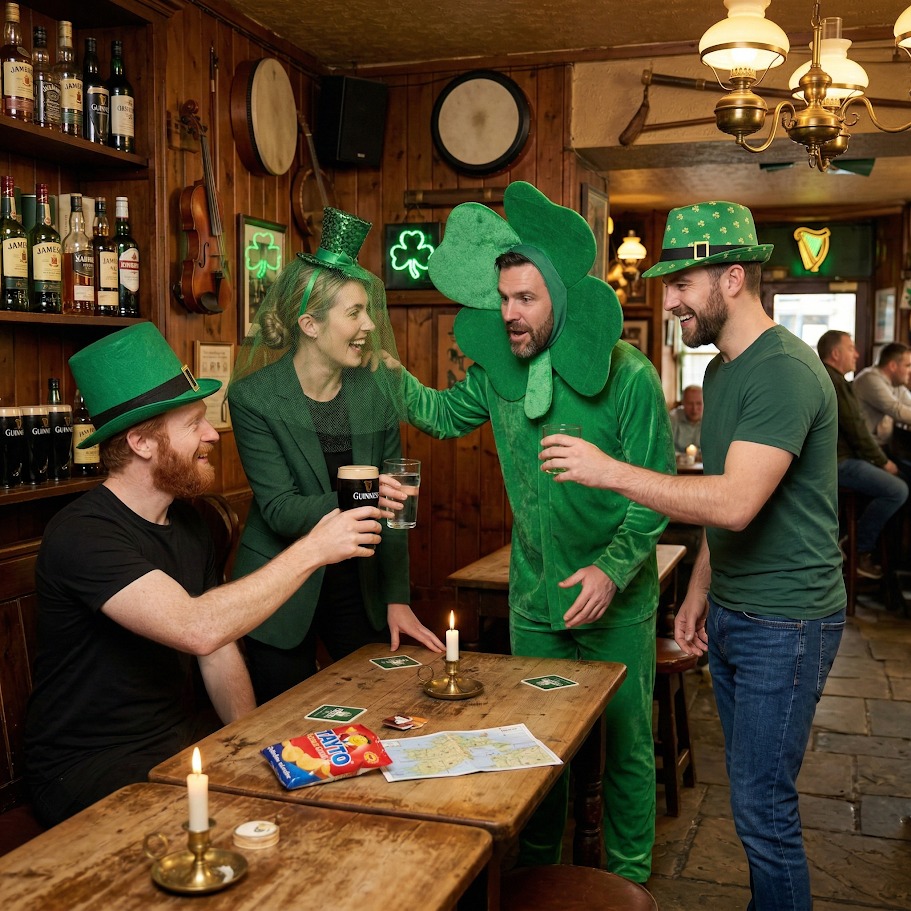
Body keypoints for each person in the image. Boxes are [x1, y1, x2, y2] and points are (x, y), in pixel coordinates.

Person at [539, 200, 846, 911]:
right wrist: (702, 589)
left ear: (732, 278)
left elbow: (734, 501)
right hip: (741, 610)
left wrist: (609, 470)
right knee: (750, 801)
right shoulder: (726, 371)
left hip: (787, 620)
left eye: (682, 284)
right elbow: (724, 504)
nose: (669, 300)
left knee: (764, 812)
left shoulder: (783, 371)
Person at [392, 181, 674, 883]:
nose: (510, 313)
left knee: (626, 747)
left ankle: (628, 883)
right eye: (503, 299)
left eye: (526, 299)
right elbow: (438, 414)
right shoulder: (497, 374)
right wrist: (380, 364)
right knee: (538, 748)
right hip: (534, 599)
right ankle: (540, 881)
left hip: (615, 600)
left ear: (560, 297)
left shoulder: (629, 376)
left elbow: (656, 494)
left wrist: (611, 570)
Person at [24, 323, 383, 827]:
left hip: (180, 740)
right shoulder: (83, 534)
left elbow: (218, 649)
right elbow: (197, 629)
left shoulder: (190, 522)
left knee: (319, 799)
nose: (213, 434)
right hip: (88, 766)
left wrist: (249, 740)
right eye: (194, 423)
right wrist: (313, 550)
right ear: (142, 442)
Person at [228, 207, 444, 705]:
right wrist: (366, 494)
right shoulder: (253, 398)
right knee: (284, 722)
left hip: (358, 585)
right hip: (281, 588)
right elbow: (280, 511)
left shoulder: (375, 391)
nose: (370, 324)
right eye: (354, 313)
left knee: (381, 709)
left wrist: (397, 599)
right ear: (309, 323)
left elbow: (393, 511)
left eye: (368, 310)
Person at [817, 330, 908, 579]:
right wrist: (882, 462)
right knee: (898, 489)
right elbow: (856, 430)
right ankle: (857, 548)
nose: (857, 354)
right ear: (835, 354)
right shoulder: (835, 382)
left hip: (838, 459)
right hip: (837, 462)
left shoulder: (831, 378)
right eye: (851, 348)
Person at [853, 342, 911, 450]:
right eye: (907, 365)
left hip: (881, 447)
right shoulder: (870, 378)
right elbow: (897, 410)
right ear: (893, 366)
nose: (910, 370)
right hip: (862, 449)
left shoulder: (895, 383)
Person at [668, 384, 703, 454]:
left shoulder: (712, 420)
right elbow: (664, 448)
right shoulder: (672, 419)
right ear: (683, 403)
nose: (694, 409)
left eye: (699, 403)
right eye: (690, 404)